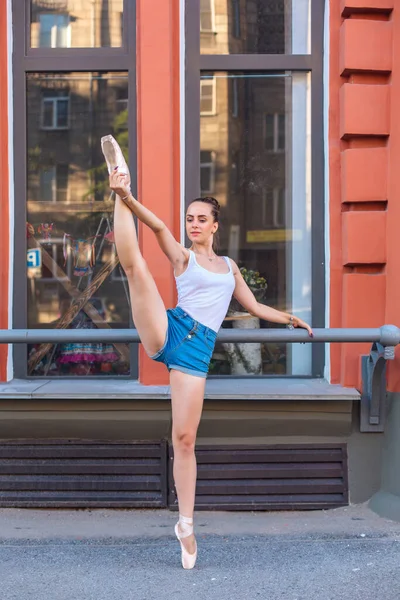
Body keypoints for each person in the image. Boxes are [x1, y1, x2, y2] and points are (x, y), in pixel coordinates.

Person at [109, 167, 313, 570]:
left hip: (195, 354)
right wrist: (128, 198)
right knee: (136, 270)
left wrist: (290, 318)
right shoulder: (183, 256)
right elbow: (157, 227)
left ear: (215, 225)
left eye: (201, 219)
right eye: (190, 219)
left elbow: (252, 307)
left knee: (184, 439)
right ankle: (117, 188)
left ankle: (185, 525)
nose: (194, 224)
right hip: (170, 328)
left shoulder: (229, 266)